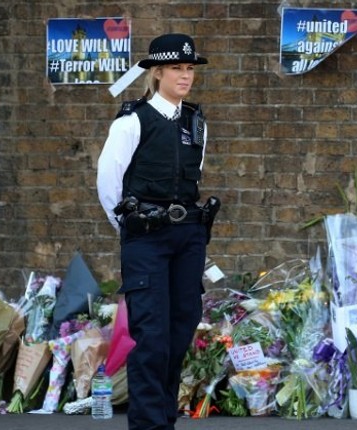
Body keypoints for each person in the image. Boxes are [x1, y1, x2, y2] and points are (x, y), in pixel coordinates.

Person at [96, 33, 219, 430]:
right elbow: (108, 184)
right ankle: (149, 425)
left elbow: (193, 177)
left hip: (187, 239)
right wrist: (132, 229)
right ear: (157, 72)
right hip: (146, 238)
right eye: (177, 69)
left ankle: (164, 420)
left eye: (189, 69)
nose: (185, 76)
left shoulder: (195, 123)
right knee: (151, 338)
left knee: (180, 330)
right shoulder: (133, 121)